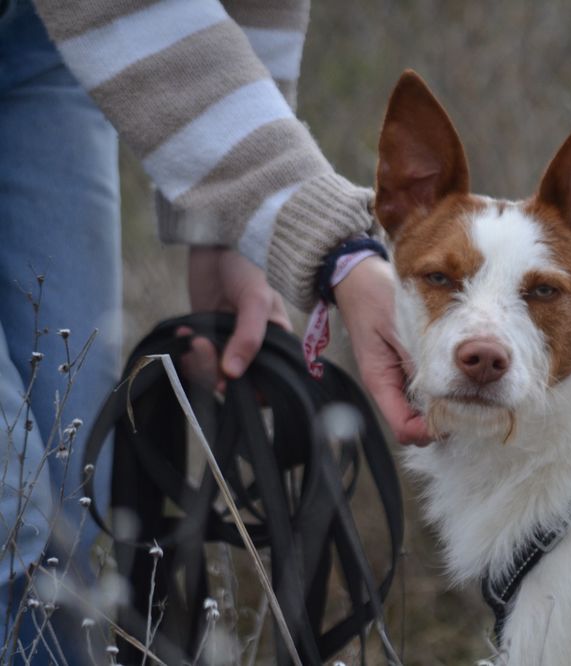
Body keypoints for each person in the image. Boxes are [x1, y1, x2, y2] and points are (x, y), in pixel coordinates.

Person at [0, 0, 429, 660]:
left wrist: (228, 231)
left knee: (71, 498)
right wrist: (338, 250)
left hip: (40, 47)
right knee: (10, 511)